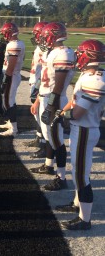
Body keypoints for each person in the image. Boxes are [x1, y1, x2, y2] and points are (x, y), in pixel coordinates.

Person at [52, 39, 105, 230]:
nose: (77, 55)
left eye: (80, 52)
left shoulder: (95, 80)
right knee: (77, 170)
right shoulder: (89, 75)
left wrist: (60, 116)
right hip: (81, 128)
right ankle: (77, 204)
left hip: (84, 129)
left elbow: (77, 113)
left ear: (88, 55)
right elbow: (74, 102)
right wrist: (59, 112)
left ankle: (85, 219)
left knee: (81, 175)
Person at [30, 22, 75, 191]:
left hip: (55, 100)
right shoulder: (54, 52)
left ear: (53, 35)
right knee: (49, 137)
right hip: (46, 97)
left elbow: (58, 85)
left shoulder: (63, 53)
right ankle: (49, 166)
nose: (43, 39)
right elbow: (46, 81)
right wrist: (38, 100)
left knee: (57, 140)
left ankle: (61, 177)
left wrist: (50, 106)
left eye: (45, 36)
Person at [25, 21, 49, 158]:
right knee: (37, 115)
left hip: (40, 85)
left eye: (36, 33)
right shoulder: (41, 48)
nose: (35, 36)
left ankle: (44, 146)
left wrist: (38, 86)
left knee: (40, 116)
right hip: (35, 82)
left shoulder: (45, 50)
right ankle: (39, 139)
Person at [0, 22, 25, 137]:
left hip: (11, 75)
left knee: (8, 102)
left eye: (5, 33)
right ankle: (10, 122)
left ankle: (14, 128)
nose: (4, 35)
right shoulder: (18, 43)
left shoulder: (14, 45)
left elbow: (12, 64)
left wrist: (5, 80)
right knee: (9, 100)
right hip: (13, 74)